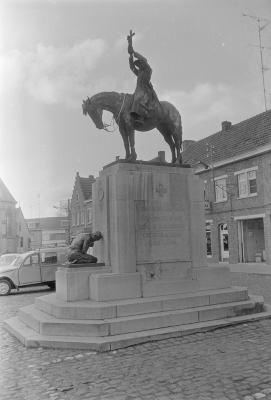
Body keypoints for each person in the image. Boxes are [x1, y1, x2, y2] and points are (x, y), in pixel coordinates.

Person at [127, 30, 160, 125]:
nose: (138, 65)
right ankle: (132, 116)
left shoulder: (148, 70)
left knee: (139, 99)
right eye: (138, 64)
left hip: (145, 90)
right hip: (138, 90)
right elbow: (132, 67)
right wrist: (130, 44)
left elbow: (142, 59)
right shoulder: (139, 72)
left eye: (139, 63)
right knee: (133, 99)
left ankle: (141, 117)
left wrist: (134, 53)